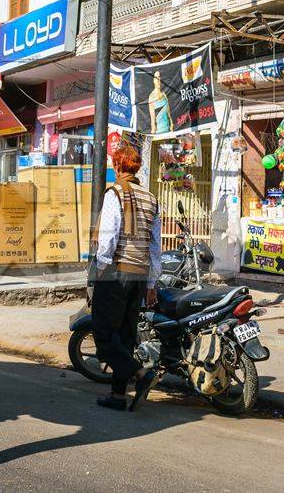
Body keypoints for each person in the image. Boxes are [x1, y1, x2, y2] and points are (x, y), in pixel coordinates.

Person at [91, 145, 162, 411]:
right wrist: (153, 282)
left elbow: (109, 236)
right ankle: (118, 396)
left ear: (118, 166)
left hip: (116, 271)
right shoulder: (151, 198)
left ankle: (140, 373)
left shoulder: (115, 193)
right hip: (140, 275)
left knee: (104, 334)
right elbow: (155, 246)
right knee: (126, 335)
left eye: (113, 163)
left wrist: (101, 267)